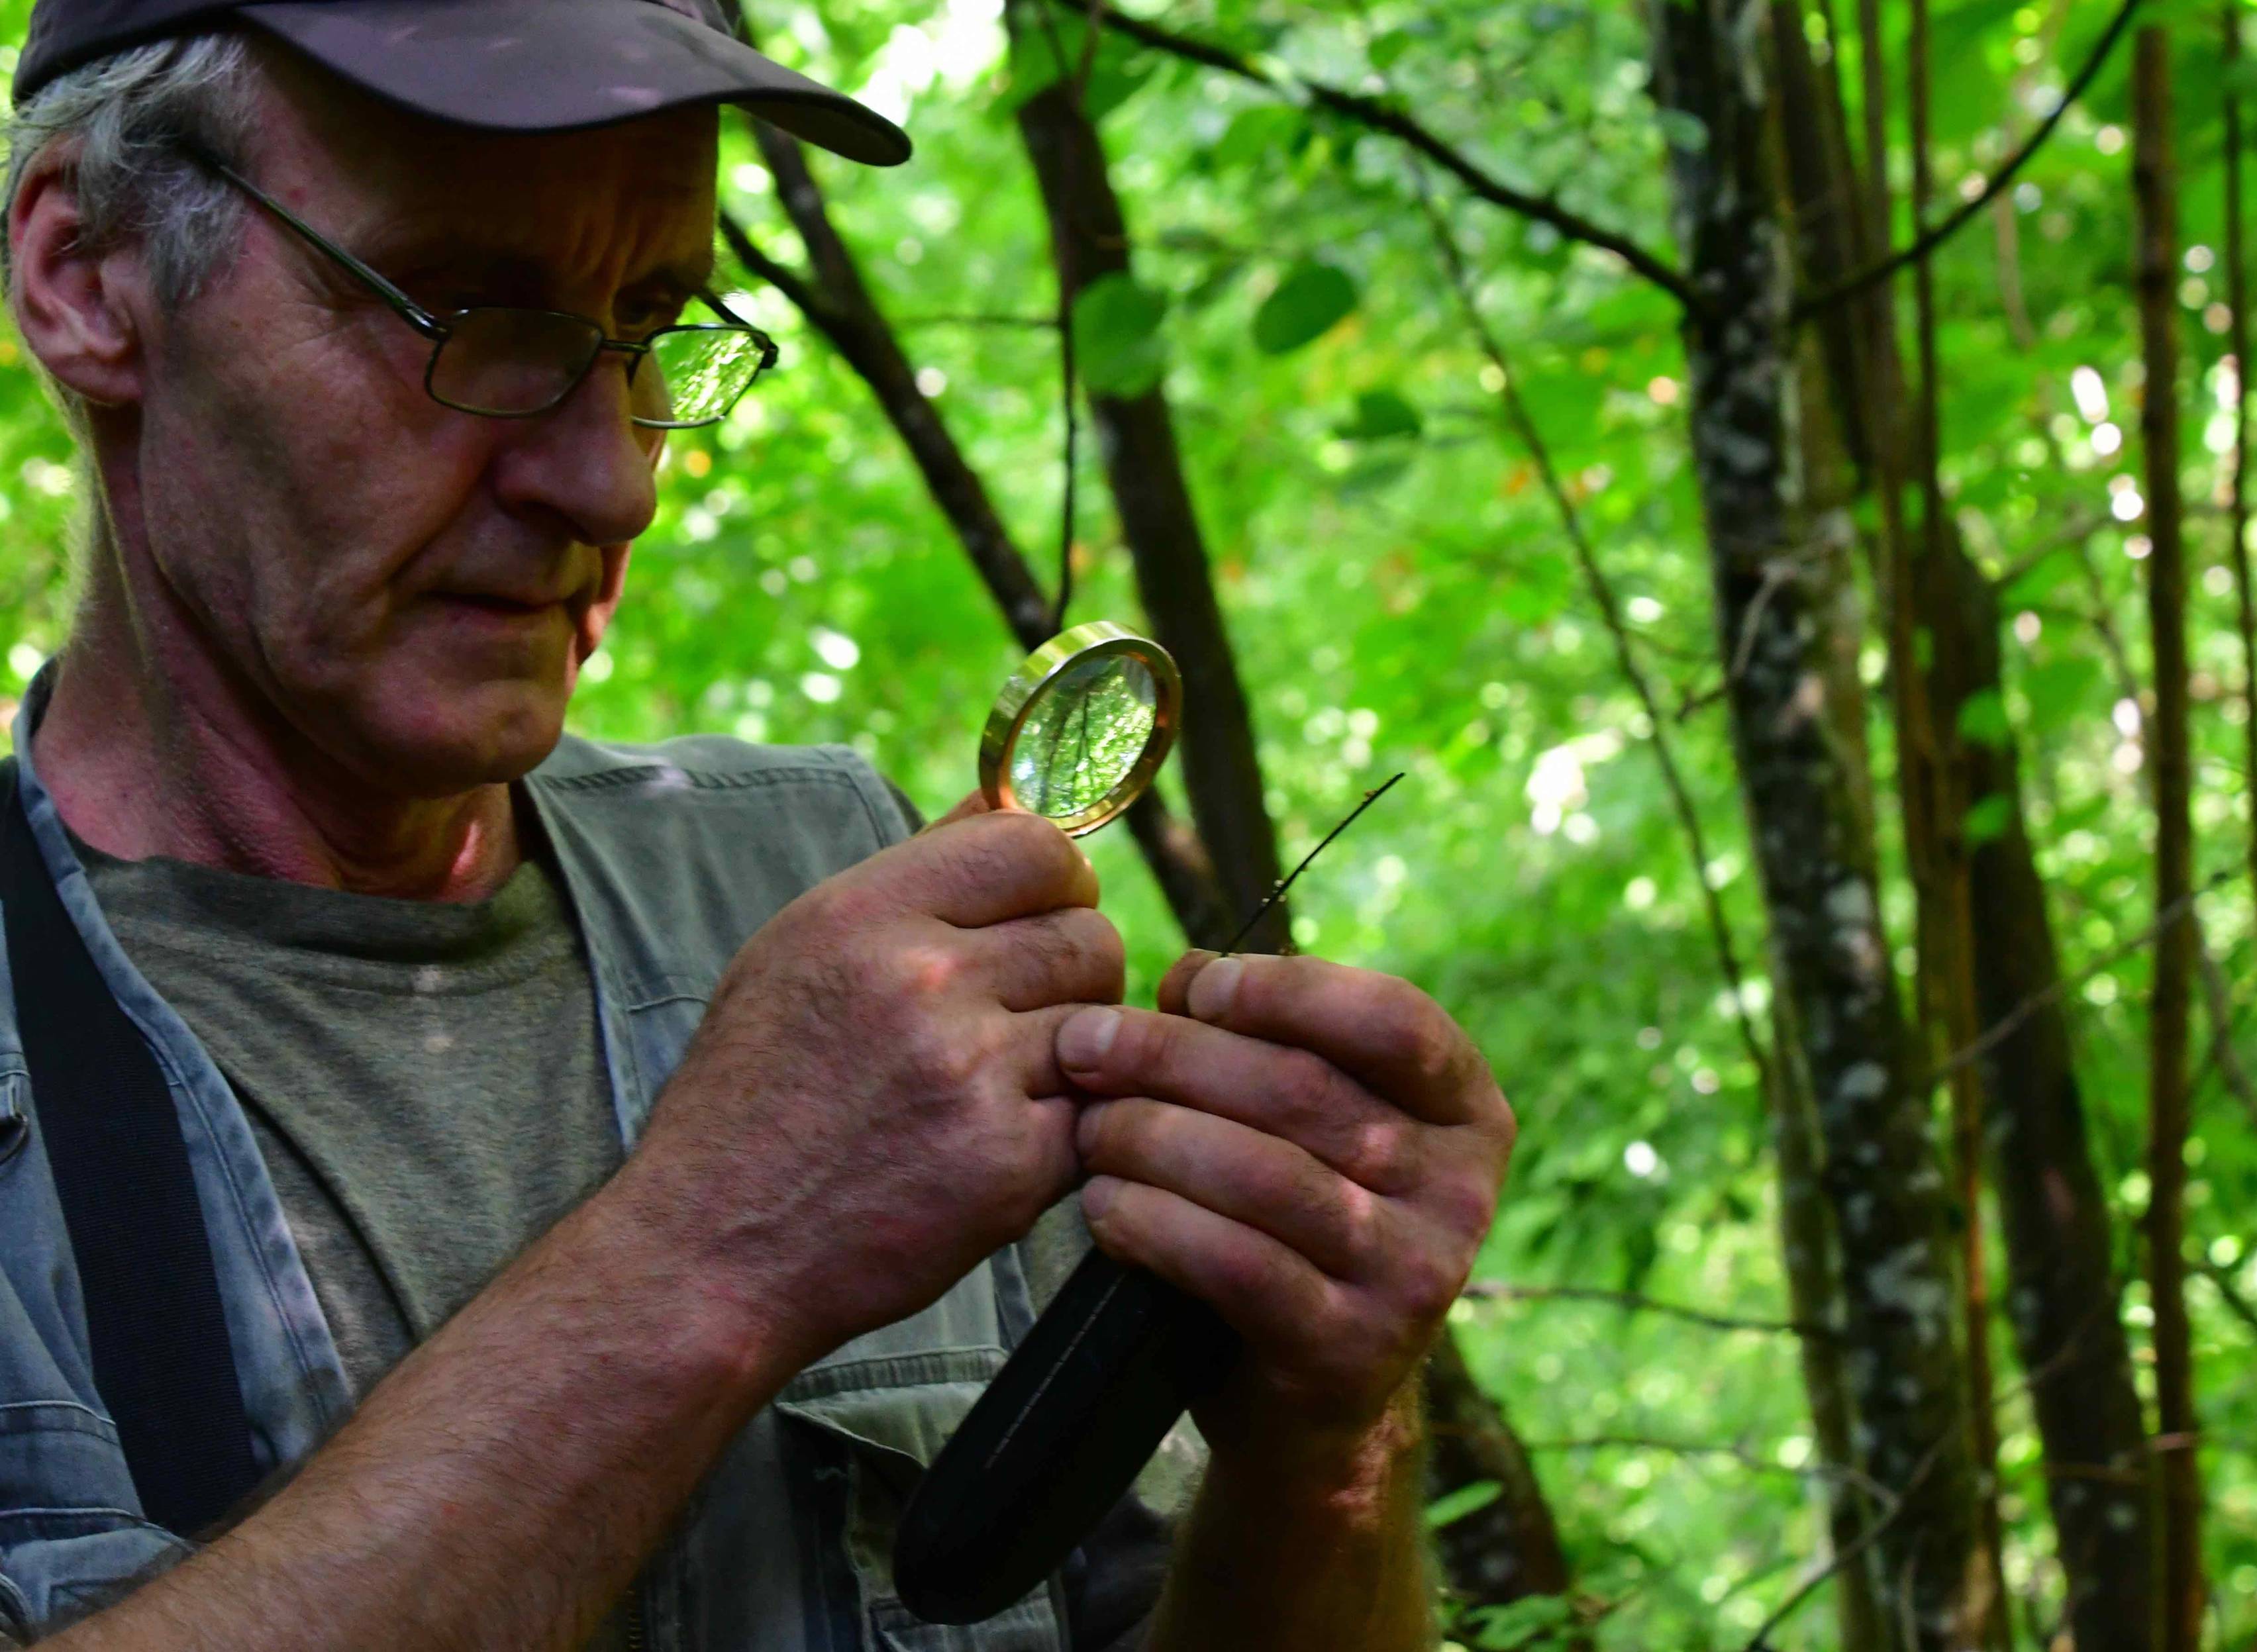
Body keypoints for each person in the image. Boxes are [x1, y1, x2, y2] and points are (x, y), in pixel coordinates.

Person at [0, 1, 1515, 1647]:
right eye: (479, 312)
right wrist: (710, 1254)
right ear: (88, 275)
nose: (617, 483)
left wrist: (1319, 1443)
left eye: (647, 329)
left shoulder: (830, 885)